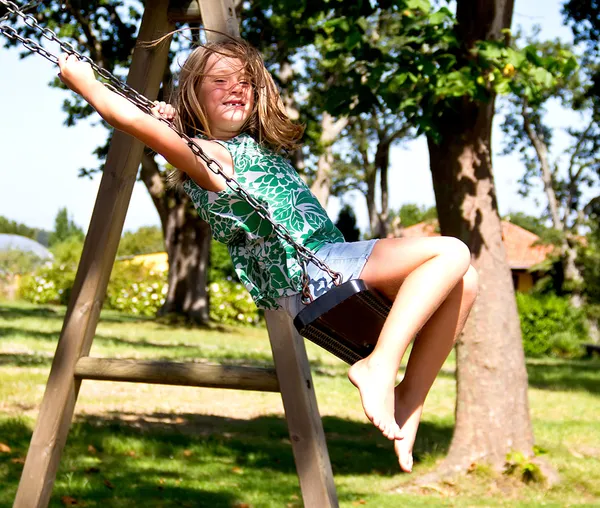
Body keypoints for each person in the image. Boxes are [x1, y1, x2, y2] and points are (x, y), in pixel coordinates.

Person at [57, 37, 478, 473]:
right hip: (311, 273)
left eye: (246, 82)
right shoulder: (211, 157)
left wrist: (174, 118)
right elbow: (125, 117)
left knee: (466, 279)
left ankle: (410, 395)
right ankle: (379, 366)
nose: (236, 87)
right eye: (220, 80)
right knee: (451, 251)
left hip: (328, 262)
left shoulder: (241, 147)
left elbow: (173, 127)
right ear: (193, 92)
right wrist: (86, 83)